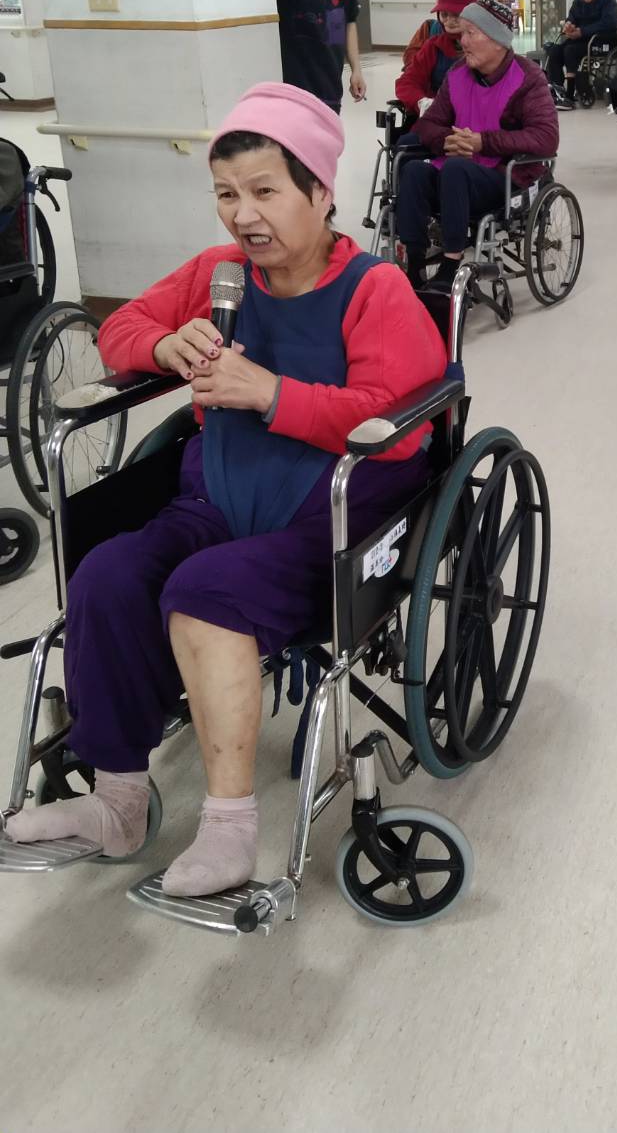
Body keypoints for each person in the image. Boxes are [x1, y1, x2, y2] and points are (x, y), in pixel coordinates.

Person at [1, 82, 446, 897]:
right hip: (218, 497)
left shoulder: (374, 289)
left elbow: (398, 424)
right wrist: (167, 344)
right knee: (105, 575)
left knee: (204, 591)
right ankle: (117, 803)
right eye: (226, 194)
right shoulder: (220, 275)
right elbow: (118, 329)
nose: (244, 215)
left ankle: (231, 832)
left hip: (329, 517)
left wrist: (270, 393)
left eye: (265, 191)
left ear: (320, 190)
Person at [395, 0, 558, 290]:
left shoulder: (528, 78)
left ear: (497, 40)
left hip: (503, 177)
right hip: (458, 172)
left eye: (471, 33)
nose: (463, 41)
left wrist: (483, 142)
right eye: (463, 33)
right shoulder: (458, 73)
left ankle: (450, 265)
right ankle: (415, 265)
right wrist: (447, 140)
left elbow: (546, 137)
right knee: (414, 171)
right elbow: (427, 124)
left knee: (456, 169)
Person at [393, 0, 477, 113]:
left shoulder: (487, 45)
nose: (449, 21)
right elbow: (407, 82)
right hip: (438, 114)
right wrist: (422, 102)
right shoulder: (433, 46)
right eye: (444, 15)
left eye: (456, 15)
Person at [544, 0, 617, 108]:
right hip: (579, 40)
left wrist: (582, 31)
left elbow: (608, 23)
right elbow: (571, 18)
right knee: (555, 50)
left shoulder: (608, 2)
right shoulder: (578, 3)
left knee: (570, 51)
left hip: (600, 42)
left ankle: (570, 95)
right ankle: (558, 90)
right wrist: (568, 25)